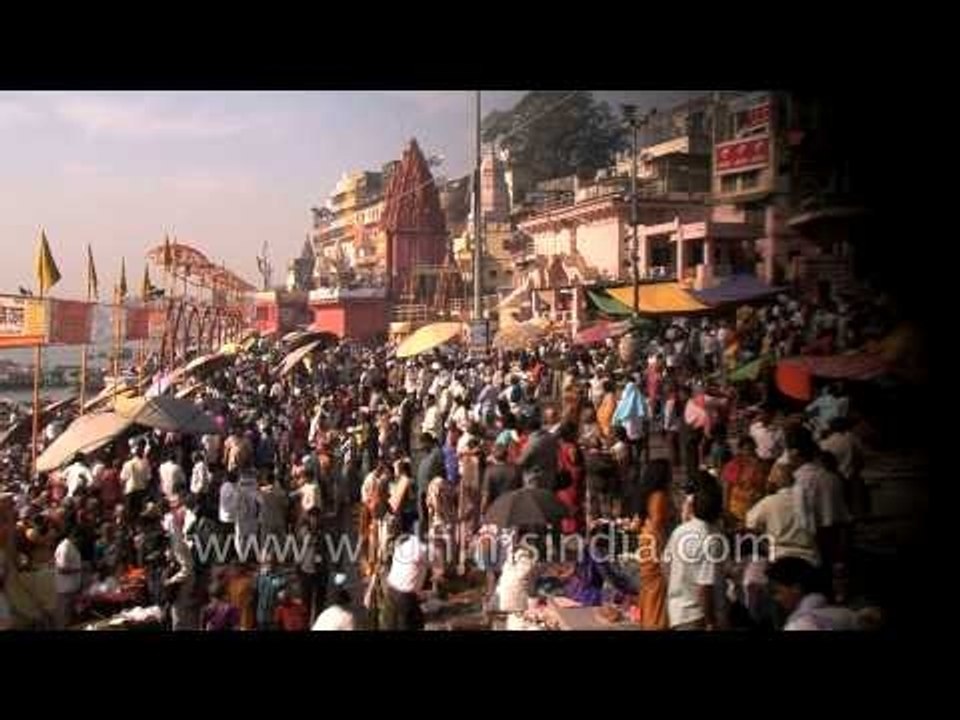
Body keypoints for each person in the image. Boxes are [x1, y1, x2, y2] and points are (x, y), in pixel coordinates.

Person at [664, 473, 726, 630]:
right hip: (697, 616)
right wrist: (711, 622)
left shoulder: (679, 531)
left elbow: (665, 564)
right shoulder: (713, 538)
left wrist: (677, 586)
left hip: (677, 612)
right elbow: (705, 586)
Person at [766, 557, 859, 630]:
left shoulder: (799, 626)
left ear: (796, 588)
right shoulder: (847, 614)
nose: (775, 599)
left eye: (776, 592)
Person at [636, 459, 673, 630]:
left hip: (647, 538)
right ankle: (654, 623)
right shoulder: (659, 495)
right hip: (655, 541)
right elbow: (658, 522)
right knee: (656, 585)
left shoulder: (648, 493)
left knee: (650, 585)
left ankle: (648, 621)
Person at [382, 515, 429, 631]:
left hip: (391, 592)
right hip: (405, 597)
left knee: (391, 625)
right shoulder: (423, 549)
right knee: (413, 624)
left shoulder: (404, 543)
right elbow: (439, 569)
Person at [721, 437, 768, 527]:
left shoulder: (762, 465)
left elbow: (765, 487)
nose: (751, 452)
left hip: (756, 508)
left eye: (753, 449)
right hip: (736, 510)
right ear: (741, 450)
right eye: (747, 449)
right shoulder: (734, 465)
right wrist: (726, 509)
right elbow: (727, 487)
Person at [516, 414, 558, 491]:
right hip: (550, 477)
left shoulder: (533, 442)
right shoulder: (550, 437)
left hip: (535, 480)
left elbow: (521, 461)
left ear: (528, 429)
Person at [54, 526, 83, 629]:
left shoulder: (71, 546)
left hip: (71, 587)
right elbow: (61, 569)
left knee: (69, 618)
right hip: (65, 589)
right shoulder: (65, 548)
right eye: (79, 537)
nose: (80, 540)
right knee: (63, 618)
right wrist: (79, 569)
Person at [120, 443, 151, 520]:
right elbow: (148, 478)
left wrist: (123, 491)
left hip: (130, 491)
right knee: (139, 512)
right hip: (141, 490)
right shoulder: (145, 462)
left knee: (130, 514)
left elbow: (123, 479)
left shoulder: (127, 464)